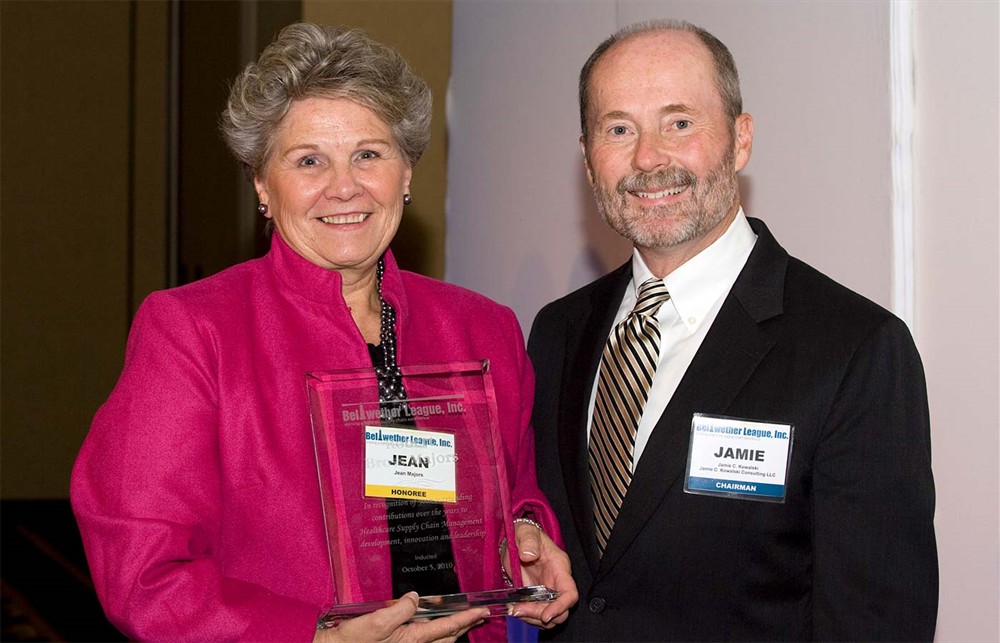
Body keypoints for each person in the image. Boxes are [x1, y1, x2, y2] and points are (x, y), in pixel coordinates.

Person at [71, 22, 575, 642]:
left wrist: (527, 533)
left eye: (369, 154)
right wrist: (315, 638)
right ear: (262, 184)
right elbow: (142, 570)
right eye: (309, 160)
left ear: (406, 172)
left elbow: (514, 490)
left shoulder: (482, 329)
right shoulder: (193, 332)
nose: (345, 186)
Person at [527, 19, 937, 642]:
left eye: (679, 122)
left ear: (741, 141)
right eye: (618, 129)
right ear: (588, 160)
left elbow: (875, 623)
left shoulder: (856, 349)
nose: (647, 158)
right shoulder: (557, 332)